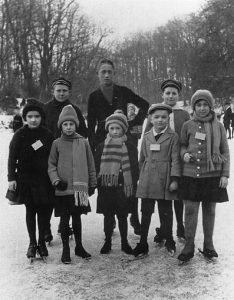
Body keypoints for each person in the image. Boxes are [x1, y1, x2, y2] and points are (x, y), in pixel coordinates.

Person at [87, 58, 149, 234]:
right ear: (98, 74)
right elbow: (90, 124)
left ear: (114, 74)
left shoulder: (123, 91)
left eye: (110, 72)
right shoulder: (94, 96)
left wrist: (133, 122)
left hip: (125, 140)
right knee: (107, 180)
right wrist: (92, 146)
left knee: (129, 177)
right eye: (103, 72)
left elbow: (145, 105)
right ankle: (111, 216)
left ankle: (134, 217)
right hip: (102, 142)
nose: (106, 75)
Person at [177, 90, 229, 263]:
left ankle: (209, 244)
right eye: (198, 105)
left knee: (210, 210)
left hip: (212, 176)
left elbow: (225, 151)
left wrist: (225, 174)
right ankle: (189, 245)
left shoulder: (219, 126)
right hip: (191, 175)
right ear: (193, 107)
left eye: (205, 105)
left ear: (211, 106)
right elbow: (182, 145)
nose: (202, 108)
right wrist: (184, 154)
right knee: (190, 210)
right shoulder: (188, 125)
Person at [48, 105, 96, 264]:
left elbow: (91, 164)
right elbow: (51, 165)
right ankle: (66, 249)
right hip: (63, 189)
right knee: (64, 220)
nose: (68, 127)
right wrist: (56, 181)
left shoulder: (83, 142)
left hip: (79, 190)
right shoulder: (56, 143)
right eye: (65, 124)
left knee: (77, 219)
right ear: (61, 126)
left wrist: (92, 183)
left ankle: (79, 247)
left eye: (71, 124)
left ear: (76, 125)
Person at [7, 99, 54, 260]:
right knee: (30, 211)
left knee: (43, 212)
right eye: (30, 116)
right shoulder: (20, 135)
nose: (33, 119)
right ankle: (32, 243)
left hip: (44, 180)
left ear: (41, 118)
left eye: (37, 116)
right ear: (25, 118)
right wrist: (11, 178)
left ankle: (41, 243)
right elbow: (12, 157)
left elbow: (53, 157)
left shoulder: (47, 135)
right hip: (26, 179)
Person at [133, 103, 181, 257]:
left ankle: (170, 240)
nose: (160, 120)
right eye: (156, 117)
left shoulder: (173, 137)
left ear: (168, 119)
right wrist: (141, 177)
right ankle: (142, 243)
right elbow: (141, 159)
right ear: (151, 119)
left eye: (164, 117)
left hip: (164, 179)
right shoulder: (146, 137)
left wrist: (174, 179)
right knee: (145, 211)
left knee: (166, 211)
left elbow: (175, 160)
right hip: (147, 179)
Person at [145, 79, 190, 241]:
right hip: (160, 163)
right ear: (162, 94)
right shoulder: (155, 112)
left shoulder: (184, 114)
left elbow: (188, 137)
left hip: (178, 162)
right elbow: (147, 138)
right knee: (163, 198)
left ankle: (180, 226)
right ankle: (165, 229)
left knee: (178, 196)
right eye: (168, 93)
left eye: (174, 93)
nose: (171, 96)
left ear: (178, 95)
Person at [44, 77, 88, 242]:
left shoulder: (75, 109)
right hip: (49, 155)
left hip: (69, 158)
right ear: (53, 91)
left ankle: (65, 226)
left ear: (69, 92)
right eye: (58, 90)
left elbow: (84, 132)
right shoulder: (46, 108)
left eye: (64, 91)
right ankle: (46, 226)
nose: (61, 93)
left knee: (67, 194)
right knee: (49, 193)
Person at [94, 112, 139, 255]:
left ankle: (124, 242)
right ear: (108, 129)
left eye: (118, 128)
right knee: (108, 216)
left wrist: (130, 182)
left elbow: (134, 167)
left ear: (123, 130)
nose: (114, 131)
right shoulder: (102, 147)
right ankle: (107, 242)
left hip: (123, 187)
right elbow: (96, 166)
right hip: (106, 187)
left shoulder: (130, 147)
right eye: (112, 128)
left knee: (122, 216)